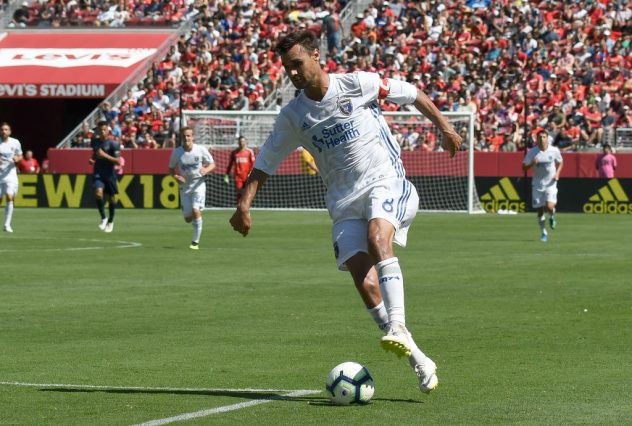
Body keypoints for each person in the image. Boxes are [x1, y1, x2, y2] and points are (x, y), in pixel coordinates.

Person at [229, 31, 463, 394]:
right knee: (365, 283)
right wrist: (244, 205)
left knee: (378, 237)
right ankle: (419, 359)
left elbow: (413, 93)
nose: (292, 73)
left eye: (297, 64)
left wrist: (445, 126)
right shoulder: (293, 116)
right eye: (286, 67)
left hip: (386, 181)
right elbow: (264, 163)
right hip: (343, 202)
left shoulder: (358, 84)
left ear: (316, 56)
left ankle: (398, 325)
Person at [169, 126, 215, 250]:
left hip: (198, 184)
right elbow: (171, 169)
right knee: (188, 218)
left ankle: (195, 242)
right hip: (185, 187)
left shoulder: (200, 150)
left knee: (196, 210)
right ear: (181, 138)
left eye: (189, 136)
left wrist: (206, 169)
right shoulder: (177, 152)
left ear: (193, 137)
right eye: (184, 136)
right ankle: (192, 220)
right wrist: (176, 177)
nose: (186, 138)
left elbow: (212, 164)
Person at [522, 129, 563, 242]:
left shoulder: (554, 150)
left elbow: (560, 162)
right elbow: (524, 168)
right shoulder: (532, 152)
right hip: (537, 184)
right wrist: (531, 164)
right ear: (537, 139)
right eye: (540, 137)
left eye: (544, 137)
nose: (542, 139)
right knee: (539, 210)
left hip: (550, 183)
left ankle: (552, 216)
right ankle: (543, 232)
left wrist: (557, 174)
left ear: (547, 138)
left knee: (549, 207)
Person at [89, 120, 121, 233]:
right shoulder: (94, 142)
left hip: (109, 175)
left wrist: (105, 155)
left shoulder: (114, 144)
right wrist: (93, 159)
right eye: (100, 129)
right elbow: (95, 153)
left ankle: (111, 221)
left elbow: (118, 161)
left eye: (104, 129)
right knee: (98, 193)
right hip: (98, 172)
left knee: (111, 199)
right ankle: (103, 218)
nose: (102, 131)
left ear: (108, 131)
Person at [0, 122, 23, 233]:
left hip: (10, 176)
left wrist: (17, 159)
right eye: (2, 129)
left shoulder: (15, 142)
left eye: (6, 129)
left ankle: (7, 225)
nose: (4, 131)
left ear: (10, 131)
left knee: (9, 196)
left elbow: (20, 155)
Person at [224, 135, 255, 203]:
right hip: (238, 177)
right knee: (240, 191)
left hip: (247, 176)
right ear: (238, 142)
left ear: (245, 142)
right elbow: (230, 165)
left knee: (243, 195)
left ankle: (243, 210)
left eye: (243, 141)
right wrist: (226, 175)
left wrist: (251, 174)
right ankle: (240, 208)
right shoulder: (234, 153)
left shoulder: (249, 152)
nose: (242, 143)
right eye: (240, 141)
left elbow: (253, 165)